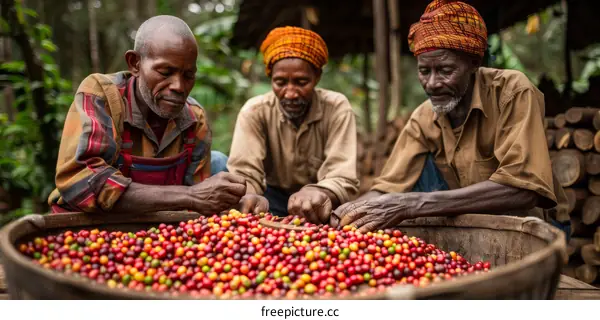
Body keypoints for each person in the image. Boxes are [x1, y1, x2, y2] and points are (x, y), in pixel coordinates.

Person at [331, 0, 570, 237]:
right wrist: (344, 214)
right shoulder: (424, 117)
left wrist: (411, 204)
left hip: (533, 230)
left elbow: (524, 190)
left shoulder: (512, 92)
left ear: (474, 63)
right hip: (477, 227)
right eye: (424, 71)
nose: (432, 84)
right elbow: (386, 190)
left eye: (446, 71)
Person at [47, 15, 246, 215]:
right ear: (135, 64)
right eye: (165, 72)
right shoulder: (103, 96)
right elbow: (81, 182)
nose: (178, 86)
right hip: (90, 223)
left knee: (219, 162)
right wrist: (191, 195)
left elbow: (202, 202)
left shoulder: (194, 119)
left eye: (188, 75)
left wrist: (236, 203)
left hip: (154, 229)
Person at [227, 26, 360, 224]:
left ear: (317, 78)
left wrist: (319, 191)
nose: (290, 93)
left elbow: (342, 174)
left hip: (321, 200)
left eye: (301, 82)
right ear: (270, 78)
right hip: (271, 199)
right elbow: (245, 171)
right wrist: (250, 197)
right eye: (280, 82)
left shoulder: (336, 108)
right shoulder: (254, 111)